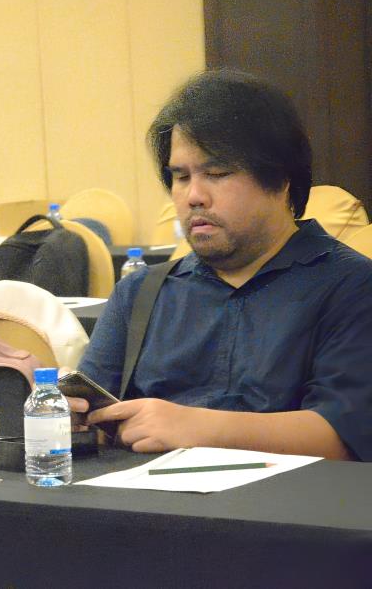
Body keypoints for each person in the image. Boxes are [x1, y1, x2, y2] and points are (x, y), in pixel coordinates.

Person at [74, 69, 372, 461]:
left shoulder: (351, 286)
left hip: (290, 497)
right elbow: (94, 419)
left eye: (217, 173)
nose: (194, 196)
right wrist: (70, 418)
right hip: (145, 495)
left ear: (281, 179)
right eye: (181, 177)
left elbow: (346, 437)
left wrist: (196, 427)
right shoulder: (142, 293)